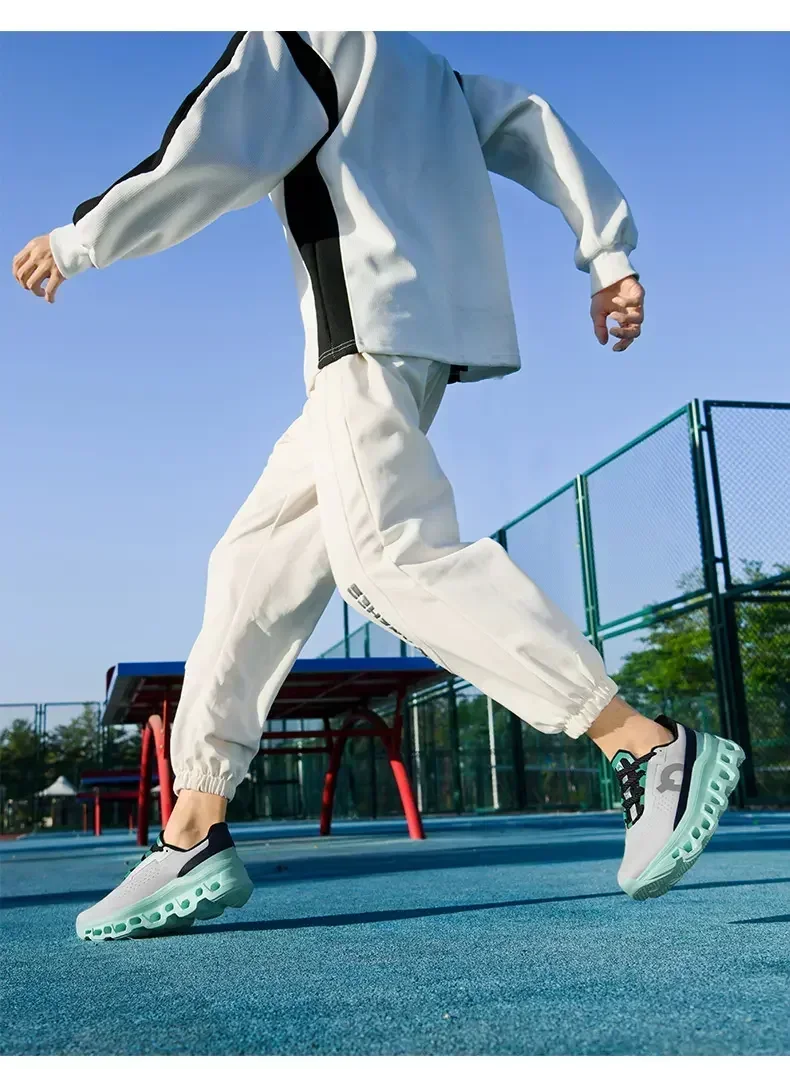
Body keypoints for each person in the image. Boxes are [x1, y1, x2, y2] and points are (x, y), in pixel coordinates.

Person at [13, 31, 743, 942]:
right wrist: (608, 254)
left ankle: (644, 744)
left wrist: (77, 240)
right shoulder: (424, 68)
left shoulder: (299, 36)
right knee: (251, 567)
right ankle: (193, 826)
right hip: (409, 348)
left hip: (360, 341)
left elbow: (205, 151)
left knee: (390, 557)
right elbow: (532, 124)